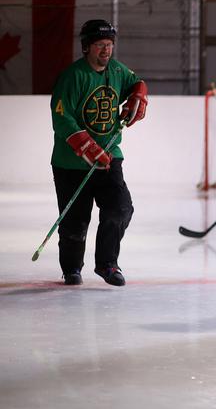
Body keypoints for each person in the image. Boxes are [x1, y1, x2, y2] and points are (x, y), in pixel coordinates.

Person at [50, 19, 147, 286]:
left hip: (109, 156)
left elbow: (135, 83)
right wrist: (86, 146)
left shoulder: (116, 70)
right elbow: (62, 118)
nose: (106, 50)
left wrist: (138, 94)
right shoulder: (72, 77)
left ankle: (107, 264)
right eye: (100, 45)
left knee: (120, 209)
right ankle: (71, 268)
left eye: (109, 45)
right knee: (74, 223)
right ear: (86, 48)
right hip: (71, 163)